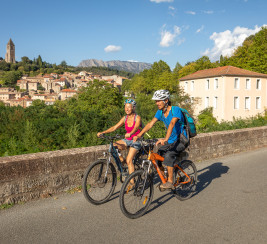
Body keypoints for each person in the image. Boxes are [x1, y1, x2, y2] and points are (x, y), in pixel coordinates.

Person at [133, 90, 188, 189]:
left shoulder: (175, 110)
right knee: (157, 156)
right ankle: (165, 178)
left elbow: (171, 124)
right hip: (170, 141)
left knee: (169, 155)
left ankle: (170, 181)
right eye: (156, 101)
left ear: (166, 100)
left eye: (159, 101)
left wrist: (165, 139)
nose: (156, 103)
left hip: (181, 140)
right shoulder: (160, 112)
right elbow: (150, 124)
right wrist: (139, 135)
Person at [97, 99, 142, 179]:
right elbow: (114, 127)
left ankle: (132, 183)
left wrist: (130, 133)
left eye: (129, 107)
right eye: (125, 107)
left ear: (133, 108)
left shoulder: (137, 117)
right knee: (114, 146)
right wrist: (103, 132)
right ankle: (122, 160)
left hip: (136, 140)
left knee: (129, 160)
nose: (126, 109)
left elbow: (136, 127)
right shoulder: (125, 118)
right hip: (127, 140)